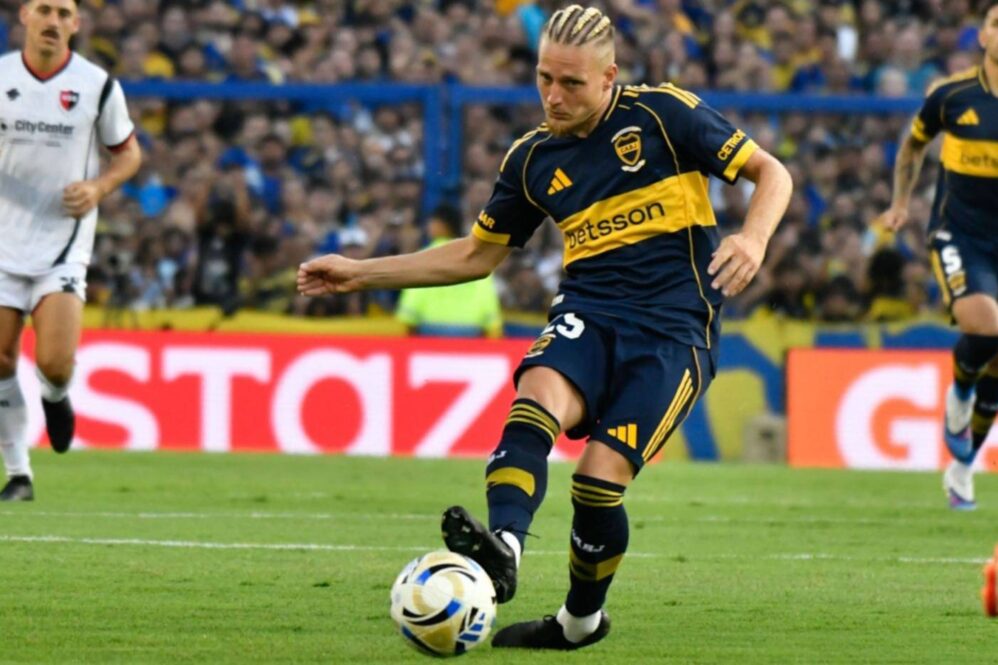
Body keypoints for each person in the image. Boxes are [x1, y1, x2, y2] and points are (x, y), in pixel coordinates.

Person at [298, 4, 791, 649]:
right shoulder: (532, 159)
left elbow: (771, 172)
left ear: (609, 76)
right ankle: (503, 549)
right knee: (535, 400)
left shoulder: (664, 116)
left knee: (597, 483)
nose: (553, 97)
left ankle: (579, 623)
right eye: (544, 79)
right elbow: (476, 255)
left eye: (571, 83)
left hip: (675, 330)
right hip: (590, 309)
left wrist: (753, 238)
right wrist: (359, 274)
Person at [0, 0, 142, 501]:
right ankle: (19, 474)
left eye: (64, 14)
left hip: (61, 244)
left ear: (76, 25)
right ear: (25, 16)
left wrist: (99, 187)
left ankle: (56, 394)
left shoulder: (96, 85)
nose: (53, 21)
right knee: (0, 359)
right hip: (2, 243)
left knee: (55, 362)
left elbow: (128, 153)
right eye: (45, 10)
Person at [882, 0, 998, 511]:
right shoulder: (952, 96)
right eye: (997, 24)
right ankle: (960, 393)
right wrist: (900, 203)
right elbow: (913, 146)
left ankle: (963, 467)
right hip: (959, 234)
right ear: (983, 37)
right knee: (986, 327)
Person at [395, 203, 503, 337]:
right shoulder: (473, 255)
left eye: (432, 221)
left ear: (442, 225)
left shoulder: (426, 255)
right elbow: (485, 294)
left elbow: (414, 295)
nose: (429, 226)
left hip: (430, 330)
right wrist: (492, 325)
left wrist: (408, 320)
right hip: (470, 331)